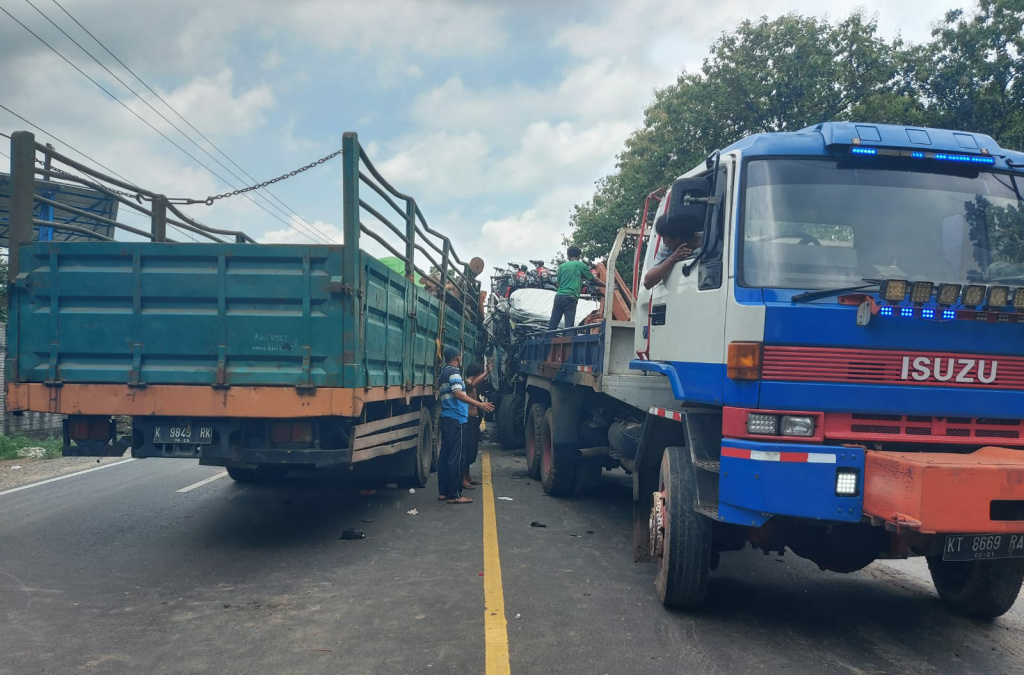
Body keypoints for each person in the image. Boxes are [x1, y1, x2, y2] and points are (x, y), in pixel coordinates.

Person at [438, 346, 493, 504]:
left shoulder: (443, 373)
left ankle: (443, 492)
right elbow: (458, 393)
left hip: (447, 417)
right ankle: (454, 495)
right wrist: (479, 404)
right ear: (457, 357)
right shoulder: (454, 372)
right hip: (456, 419)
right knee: (456, 457)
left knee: (445, 456)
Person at [548, 246, 604, 330]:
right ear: (579, 256)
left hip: (559, 296)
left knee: (552, 325)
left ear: (568, 255)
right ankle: (568, 342)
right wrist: (608, 285)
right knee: (569, 327)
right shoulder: (580, 265)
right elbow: (594, 280)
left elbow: (558, 284)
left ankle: (548, 341)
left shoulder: (561, 266)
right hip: (570, 297)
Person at [461, 361, 491, 491]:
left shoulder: (473, 387)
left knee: (471, 450)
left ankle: (468, 476)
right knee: (466, 450)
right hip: (468, 420)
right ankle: (463, 479)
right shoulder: (467, 383)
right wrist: (487, 371)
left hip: (474, 421)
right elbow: (473, 383)